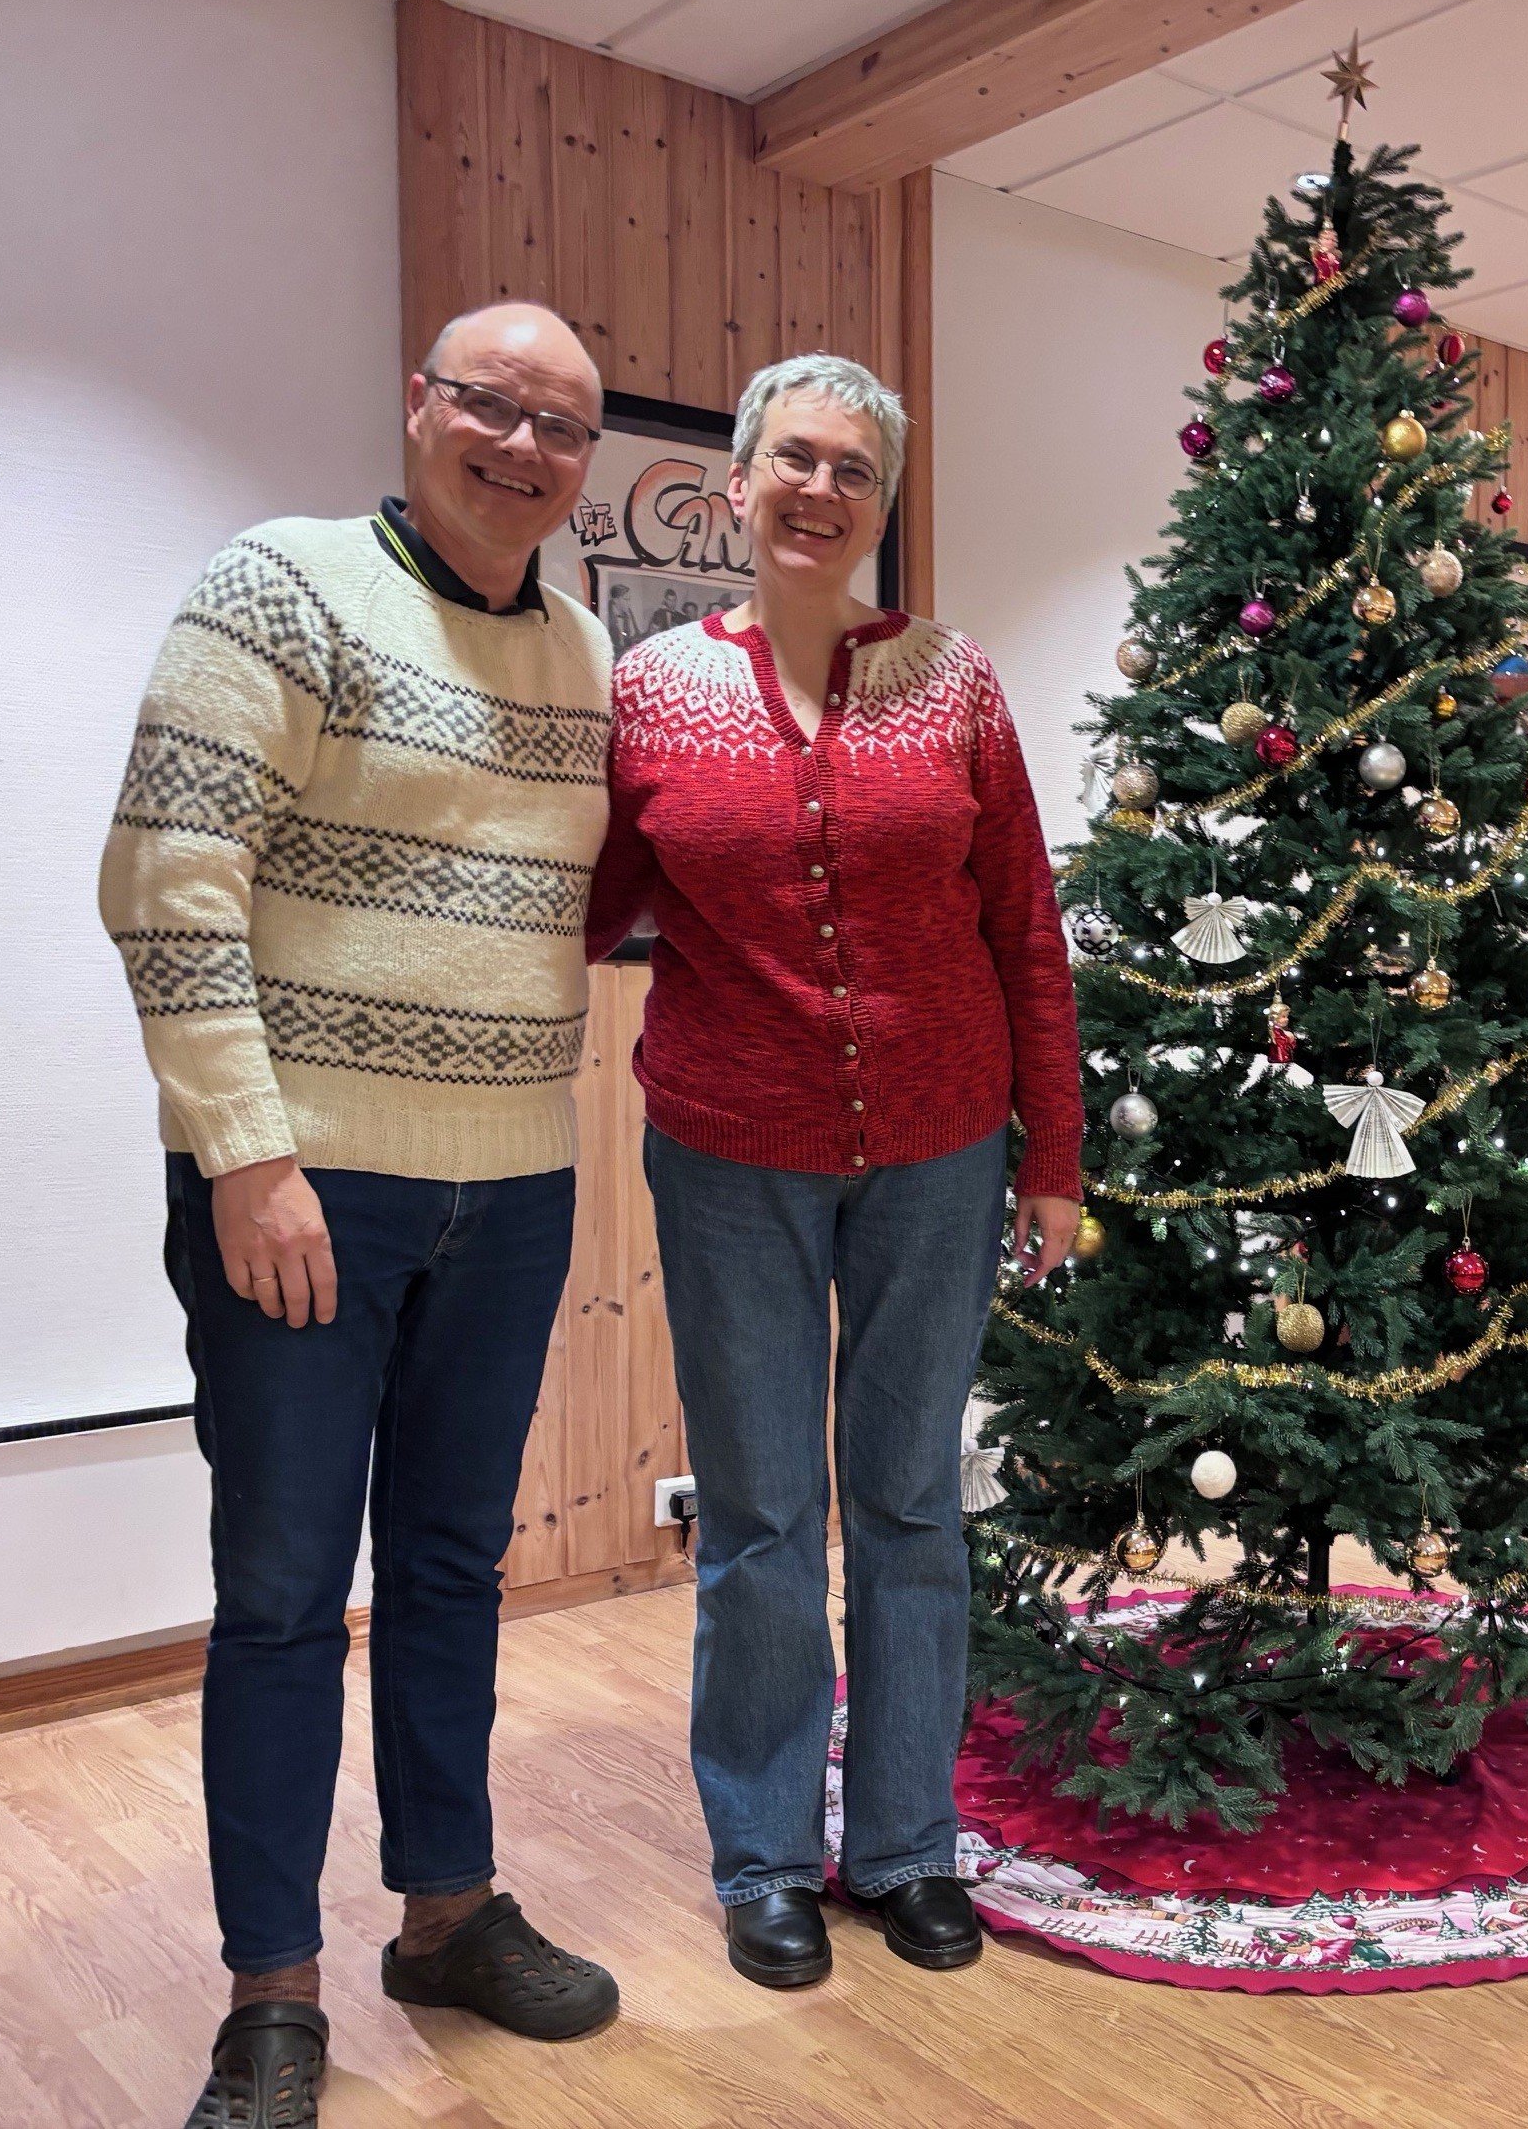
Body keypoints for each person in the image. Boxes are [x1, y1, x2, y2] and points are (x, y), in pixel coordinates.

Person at [101, 302, 623, 2127]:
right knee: (279, 1594)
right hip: (307, 1190)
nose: (523, 447)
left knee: (457, 1567)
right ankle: (272, 1990)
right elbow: (166, 878)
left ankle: (447, 1911)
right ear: (420, 405)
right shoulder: (281, 588)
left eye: (561, 426)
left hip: (517, 1183)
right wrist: (245, 1152)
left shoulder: (583, 645)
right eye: (492, 405)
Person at [587, 354, 1082, 1988]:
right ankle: (765, 1855)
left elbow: (1025, 927)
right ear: (736, 484)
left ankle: (908, 1843)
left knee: (911, 1497)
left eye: (852, 469)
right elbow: (586, 905)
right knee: (761, 1513)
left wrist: (1056, 1157)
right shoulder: (651, 690)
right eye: (792, 459)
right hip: (727, 1152)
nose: (819, 489)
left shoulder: (954, 683)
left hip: (942, 1152)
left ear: (881, 505)